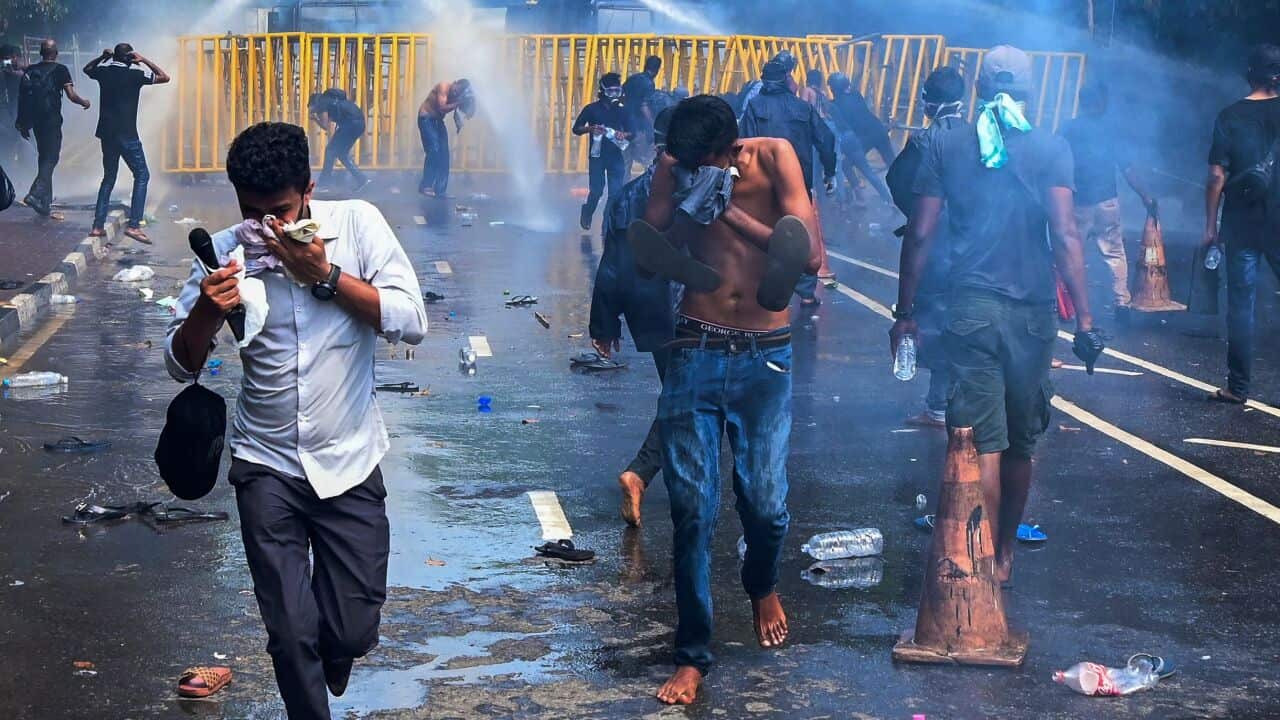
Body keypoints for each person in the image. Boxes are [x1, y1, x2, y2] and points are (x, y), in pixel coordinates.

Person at [164, 122, 427, 719]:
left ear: (308, 190)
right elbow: (178, 366)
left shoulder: (357, 224)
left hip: (350, 460)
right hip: (265, 465)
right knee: (289, 634)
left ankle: (336, 649)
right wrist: (207, 310)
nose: (266, 228)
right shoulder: (224, 252)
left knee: (352, 630)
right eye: (251, 213)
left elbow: (412, 320)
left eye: (279, 212)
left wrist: (325, 276)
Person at [890, 46, 1102, 585]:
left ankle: (978, 558)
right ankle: (1004, 556)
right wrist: (1085, 320)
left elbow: (920, 233)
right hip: (1033, 314)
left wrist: (905, 312)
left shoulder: (946, 143)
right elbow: (1066, 235)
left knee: (980, 439)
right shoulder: (1050, 147)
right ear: (1029, 91)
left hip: (971, 308)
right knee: (1021, 441)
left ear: (978, 89)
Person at [640, 95, 820, 705]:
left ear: (733, 148)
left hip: (765, 355)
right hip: (696, 345)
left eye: (710, 163)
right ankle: (692, 656)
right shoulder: (677, 166)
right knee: (693, 509)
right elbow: (652, 241)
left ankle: (761, 583)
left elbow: (810, 256)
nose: (701, 170)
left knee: (766, 505)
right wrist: (677, 187)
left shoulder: (775, 158)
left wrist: (729, 212)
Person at [590, 107, 676, 528]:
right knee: (690, 398)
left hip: (650, 312)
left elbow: (612, 265)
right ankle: (642, 473)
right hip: (689, 312)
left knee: (684, 394)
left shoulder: (627, 195)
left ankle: (655, 475)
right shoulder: (700, 190)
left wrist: (605, 324)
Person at [885, 66, 967, 428]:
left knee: (935, 321)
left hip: (936, 244)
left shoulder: (924, 142)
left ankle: (938, 408)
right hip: (974, 244)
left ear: (927, 101)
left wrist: (918, 213)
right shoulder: (978, 137)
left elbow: (896, 180)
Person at [1204, 45, 1280, 405]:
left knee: (1241, 306)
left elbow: (1216, 176)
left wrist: (1210, 225)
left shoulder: (1230, 116)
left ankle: (1237, 386)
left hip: (1241, 221)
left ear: (1250, 74)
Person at [740, 57, 837, 304]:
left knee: (763, 230)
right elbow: (826, 139)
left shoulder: (754, 106)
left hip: (763, 178)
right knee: (802, 232)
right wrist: (830, 171)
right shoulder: (803, 107)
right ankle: (806, 292)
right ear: (786, 79)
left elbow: (745, 143)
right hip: (798, 180)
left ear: (764, 80)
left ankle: (759, 285)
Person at [1059, 82, 1157, 324]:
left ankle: (1065, 305)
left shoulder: (1068, 129)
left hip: (1077, 203)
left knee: (1071, 252)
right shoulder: (1111, 130)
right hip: (1107, 203)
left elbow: (1055, 163)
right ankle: (1121, 302)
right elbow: (1128, 169)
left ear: (1081, 102)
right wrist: (1145, 196)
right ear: (1101, 102)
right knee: (1114, 254)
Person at [84, 43, 170, 244]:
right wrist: (144, 60)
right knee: (142, 175)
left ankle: (97, 226)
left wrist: (102, 57)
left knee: (108, 178)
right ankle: (134, 226)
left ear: (114, 56)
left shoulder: (103, 72)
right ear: (130, 58)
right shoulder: (135, 75)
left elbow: (87, 69)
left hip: (107, 134)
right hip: (127, 134)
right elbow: (164, 77)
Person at [14, 39, 90, 219]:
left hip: (36, 122)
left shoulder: (30, 71)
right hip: (52, 120)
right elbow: (71, 95)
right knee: (51, 158)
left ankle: (44, 203)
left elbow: (22, 98)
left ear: (41, 53)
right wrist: (84, 102)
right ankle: (35, 194)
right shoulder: (60, 70)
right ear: (56, 53)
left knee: (44, 158)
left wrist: (22, 123)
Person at [573, 72, 633, 230]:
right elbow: (576, 129)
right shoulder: (591, 109)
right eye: (611, 91)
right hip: (597, 156)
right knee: (597, 191)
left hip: (616, 155)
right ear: (603, 91)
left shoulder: (622, 111)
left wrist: (623, 134)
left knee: (616, 192)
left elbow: (632, 132)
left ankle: (608, 223)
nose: (614, 94)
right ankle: (587, 211)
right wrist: (590, 128)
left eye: (617, 91)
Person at [829, 72, 893, 206]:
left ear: (833, 89)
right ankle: (906, 194)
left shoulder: (835, 104)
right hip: (879, 130)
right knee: (892, 164)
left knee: (848, 165)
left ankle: (861, 196)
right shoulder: (856, 95)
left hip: (864, 137)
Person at [417, 78, 472, 198]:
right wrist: (459, 103)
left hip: (438, 121)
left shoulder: (458, 96)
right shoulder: (443, 87)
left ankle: (440, 190)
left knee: (444, 154)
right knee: (434, 151)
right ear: (455, 83)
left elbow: (466, 112)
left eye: (459, 92)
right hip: (426, 119)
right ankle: (425, 186)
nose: (456, 93)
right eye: (456, 90)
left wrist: (467, 107)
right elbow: (442, 108)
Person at [308, 89, 369, 194]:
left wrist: (315, 119)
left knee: (330, 151)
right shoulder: (332, 101)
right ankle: (362, 179)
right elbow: (328, 124)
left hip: (350, 124)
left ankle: (324, 184)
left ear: (314, 103)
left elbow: (325, 125)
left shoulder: (322, 104)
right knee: (341, 154)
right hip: (359, 124)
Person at [623, 55, 662, 169]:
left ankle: (624, 179)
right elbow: (644, 106)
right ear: (657, 70)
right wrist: (653, 123)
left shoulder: (632, 78)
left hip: (625, 122)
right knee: (648, 157)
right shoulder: (649, 83)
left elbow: (621, 96)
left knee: (626, 157)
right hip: (639, 125)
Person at [0, 45, 28, 173]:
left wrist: (17, 69)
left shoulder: (19, 73)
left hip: (15, 115)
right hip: (7, 118)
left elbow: (25, 75)